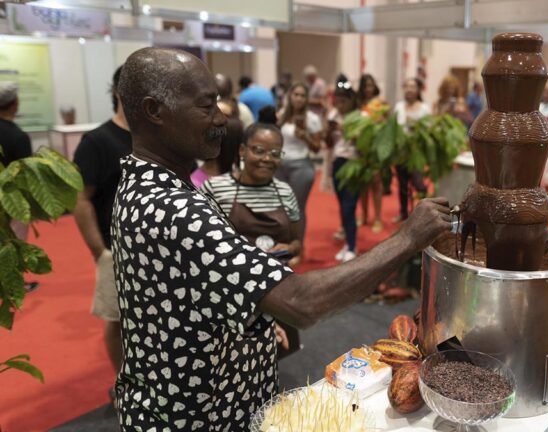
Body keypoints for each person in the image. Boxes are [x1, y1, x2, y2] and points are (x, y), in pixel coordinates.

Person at [113, 47, 451, 430]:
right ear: (155, 111)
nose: (221, 117)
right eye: (206, 106)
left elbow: (187, 294)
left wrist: (250, 319)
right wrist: (407, 238)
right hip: (198, 418)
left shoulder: (144, 182)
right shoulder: (175, 209)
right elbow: (300, 302)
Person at [72, 66, 132, 395]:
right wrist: (100, 251)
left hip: (154, 248)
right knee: (117, 319)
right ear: (118, 91)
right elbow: (81, 200)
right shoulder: (97, 141)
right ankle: (124, 384)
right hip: (114, 248)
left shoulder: (155, 139)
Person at [202, 123, 301, 267]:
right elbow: (201, 241)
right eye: (259, 151)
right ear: (242, 150)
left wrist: (290, 249)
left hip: (276, 274)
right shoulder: (214, 188)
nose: (267, 158)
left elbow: (296, 242)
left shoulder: (285, 191)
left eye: (275, 153)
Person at [276, 83, 323, 245]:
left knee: (296, 209)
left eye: (302, 95)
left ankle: (298, 246)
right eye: (296, 94)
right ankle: (283, 244)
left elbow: (317, 148)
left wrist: (305, 136)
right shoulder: (282, 114)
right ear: (290, 96)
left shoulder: (312, 119)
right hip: (280, 166)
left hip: (301, 166)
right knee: (280, 208)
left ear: (306, 99)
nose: (299, 98)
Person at [0, 81, 36, 290]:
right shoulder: (18, 137)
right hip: (13, 198)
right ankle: (14, 285)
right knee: (14, 241)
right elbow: (25, 174)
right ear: (14, 104)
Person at [328, 77, 360, 262]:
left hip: (353, 163)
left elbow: (364, 145)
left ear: (351, 100)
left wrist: (344, 129)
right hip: (337, 162)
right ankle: (348, 243)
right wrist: (328, 131)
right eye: (337, 102)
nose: (339, 106)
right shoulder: (334, 115)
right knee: (342, 205)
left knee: (349, 206)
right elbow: (329, 143)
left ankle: (353, 245)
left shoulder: (360, 117)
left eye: (343, 102)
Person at [393, 77, 430, 221]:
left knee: (419, 183)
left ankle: (423, 213)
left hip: (416, 152)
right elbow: (394, 127)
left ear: (418, 90)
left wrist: (417, 127)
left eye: (412, 87)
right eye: (407, 86)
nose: (409, 89)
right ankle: (403, 213)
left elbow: (429, 128)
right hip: (401, 152)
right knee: (402, 185)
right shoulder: (399, 107)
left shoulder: (424, 108)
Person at [358, 73, 386, 233]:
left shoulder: (380, 102)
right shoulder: (358, 103)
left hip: (376, 148)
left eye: (370, 85)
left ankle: (377, 218)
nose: (368, 88)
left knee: (376, 183)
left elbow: (388, 123)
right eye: (365, 86)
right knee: (362, 184)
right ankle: (363, 215)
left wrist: (381, 121)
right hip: (361, 148)